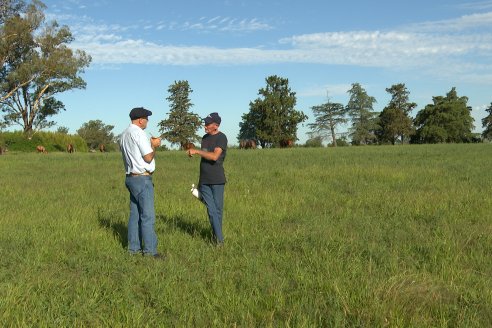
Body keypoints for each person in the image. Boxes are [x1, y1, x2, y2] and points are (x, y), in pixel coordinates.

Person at [119, 107, 163, 258]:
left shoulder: (124, 134)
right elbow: (148, 157)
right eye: (146, 118)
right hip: (143, 178)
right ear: (140, 120)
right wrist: (154, 145)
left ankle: (133, 249)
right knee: (148, 216)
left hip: (130, 177)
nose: (148, 121)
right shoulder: (139, 133)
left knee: (135, 215)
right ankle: (150, 252)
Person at [187, 112, 228, 245]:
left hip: (217, 180)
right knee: (211, 210)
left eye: (208, 124)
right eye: (205, 123)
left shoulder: (222, 138)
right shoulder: (204, 138)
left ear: (215, 126)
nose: (205, 126)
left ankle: (217, 239)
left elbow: (215, 156)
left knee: (217, 211)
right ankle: (220, 241)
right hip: (204, 181)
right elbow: (205, 156)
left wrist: (197, 151)